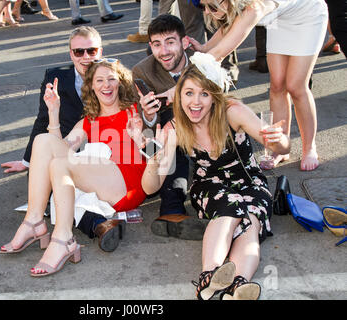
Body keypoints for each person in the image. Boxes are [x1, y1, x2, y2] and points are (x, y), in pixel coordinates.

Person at [139, 53, 290, 300]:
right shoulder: (175, 127)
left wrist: (279, 140)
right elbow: (150, 187)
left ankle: (238, 287)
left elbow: (279, 147)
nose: (195, 102)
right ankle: (209, 277)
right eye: (188, 93)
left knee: (250, 217)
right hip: (209, 185)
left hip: (249, 181)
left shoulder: (233, 112)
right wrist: (153, 159)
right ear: (179, 96)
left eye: (204, 94)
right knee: (230, 207)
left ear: (214, 96)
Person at [0, 59, 146, 277]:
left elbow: (152, 134)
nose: (106, 85)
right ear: (91, 87)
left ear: (120, 83)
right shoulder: (88, 121)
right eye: (99, 80)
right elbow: (57, 149)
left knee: (61, 164)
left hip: (128, 183)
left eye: (111, 79)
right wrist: (53, 112)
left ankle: (63, 238)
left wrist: (144, 128)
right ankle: (34, 221)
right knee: (42, 141)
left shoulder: (134, 110)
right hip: (102, 179)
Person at [1, 27, 125, 252]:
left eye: (91, 50)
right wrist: (28, 160)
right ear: (71, 54)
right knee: (48, 177)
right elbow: (42, 120)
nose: (86, 57)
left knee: (56, 190)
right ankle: (96, 225)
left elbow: (137, 111)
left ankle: (76, 227)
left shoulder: (115, 76)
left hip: (105, 155)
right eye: (79, 52)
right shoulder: (55, 78)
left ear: (101, 51)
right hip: (69, 144)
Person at [190, 0, 328, 171]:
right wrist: (204, 48)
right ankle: (281, 146)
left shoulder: (254, 7)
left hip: (308, 15)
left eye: (211, 6)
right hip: (279, 20)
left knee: (296, 86)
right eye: (202, 7)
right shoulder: (238, 4)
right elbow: (232, 25)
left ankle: (309, 148)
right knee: (277, 85)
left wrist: (191, 73)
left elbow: (218, 54)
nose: (207, 13)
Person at [132, 14, 209, 240]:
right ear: (150, 47)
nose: (164, 51)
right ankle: (172, 209)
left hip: (205, 124)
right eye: (157, 44)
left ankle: (184, 208)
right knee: (167, 136)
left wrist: (183, 94)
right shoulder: (142, 71)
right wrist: (148, 114)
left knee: (176, 129)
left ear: (185, 43)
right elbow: (149, 127)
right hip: (169, 133)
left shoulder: (203, 62)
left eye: (170, 42)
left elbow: (220, 102)